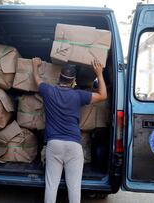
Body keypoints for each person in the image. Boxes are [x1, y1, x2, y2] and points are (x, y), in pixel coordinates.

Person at [32, 57, 107, 203]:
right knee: (74, 187)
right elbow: (103, 95)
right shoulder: (78, 95)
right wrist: (99, 73)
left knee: (51, 186)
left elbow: (37, 80)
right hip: (74, 145)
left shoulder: (48, 91)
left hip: (53, 145)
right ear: (73, 82)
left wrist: (35, 66)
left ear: (59, 77)